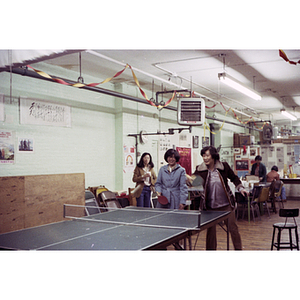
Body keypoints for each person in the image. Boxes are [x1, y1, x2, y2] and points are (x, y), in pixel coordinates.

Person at [193, 145, 249, 250]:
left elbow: (234, 178)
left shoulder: (224, 166)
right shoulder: (200, 169)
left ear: (213, 156)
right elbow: (194, 182)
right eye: (203, 156)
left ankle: (238, 250)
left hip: (226, 205)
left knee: (233, 229)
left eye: (207, 155)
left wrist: (241, 188)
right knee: (210, 232)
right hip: (209, 207)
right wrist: (189, 180)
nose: (205, 158)